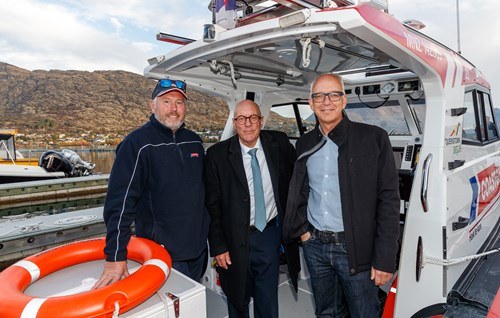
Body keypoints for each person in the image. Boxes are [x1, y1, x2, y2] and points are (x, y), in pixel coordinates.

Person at [283, 73, 400, 317]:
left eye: (333, 94)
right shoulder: (304, 143)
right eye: (319, 96)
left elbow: (388, 201)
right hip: (314, 245)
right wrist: (303, 232)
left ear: (344, 100)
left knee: (363, 312)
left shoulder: (374, 138)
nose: (327, 102)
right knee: (327, 312)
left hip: (355, 247)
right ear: (311, 102)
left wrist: (385, 258)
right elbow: (300, 191)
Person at [93, 79, 209, 289]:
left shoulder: (195, 141)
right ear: (152, 105)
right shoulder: (136, 144)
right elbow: (119, 204)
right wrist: (115, 255)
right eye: (166, 101)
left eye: (179, 103)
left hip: (199, 250)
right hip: (164, 253)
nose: (174, 109)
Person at [204, 100, 300, 318]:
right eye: (241, 119)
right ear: (234, 122)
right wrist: (218, 246)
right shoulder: (217, 156)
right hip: (232, 240)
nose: (247, 124)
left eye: (253, 118)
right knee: (237, 299)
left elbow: (299, 177)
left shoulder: (280, 143)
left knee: (267, 301)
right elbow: (212, 205)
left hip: (268, 235)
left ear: (261, 120)